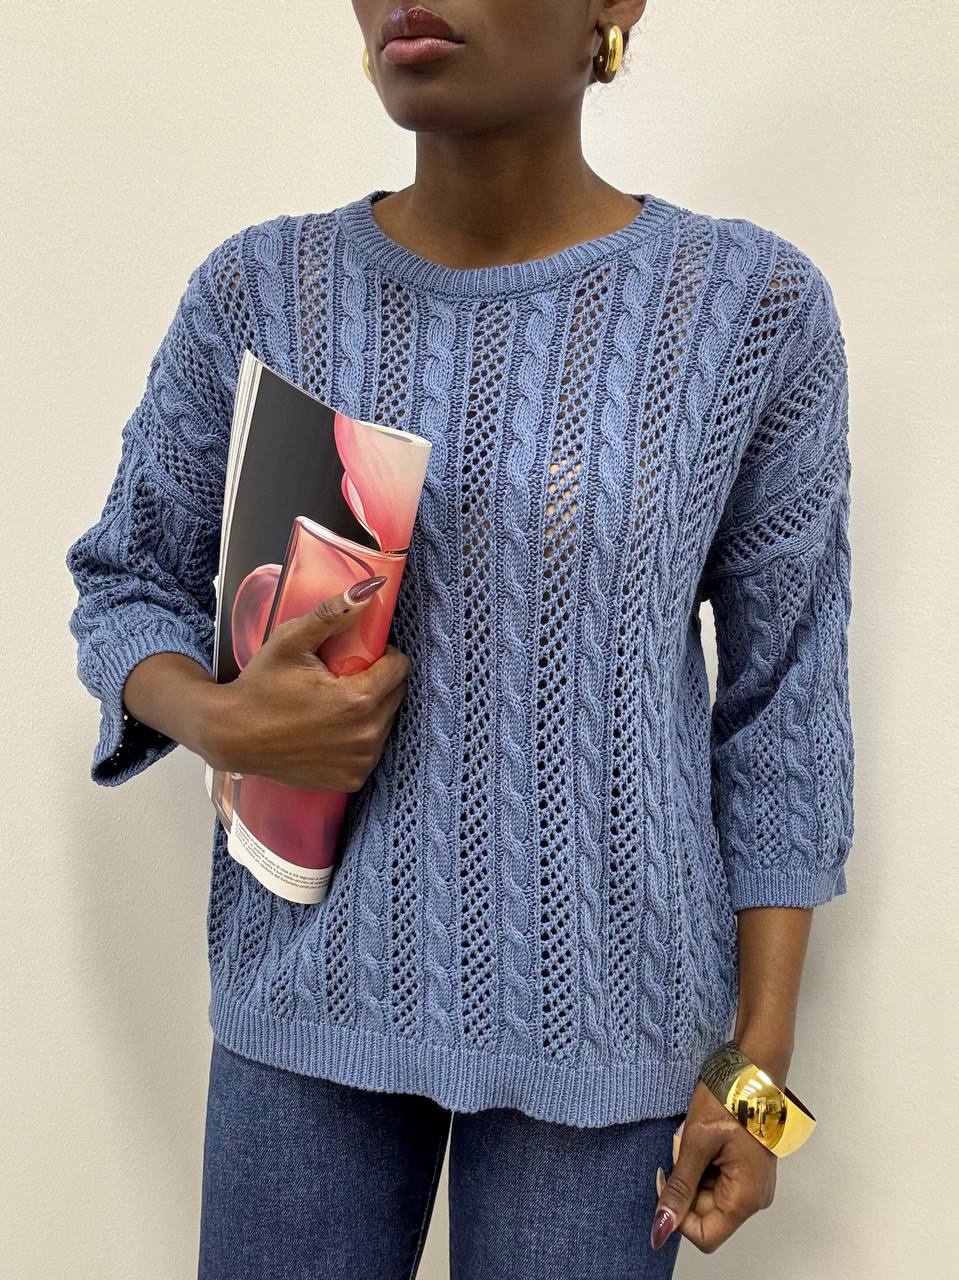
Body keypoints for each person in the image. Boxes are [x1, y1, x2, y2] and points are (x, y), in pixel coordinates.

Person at [64, 3, 855, 1277]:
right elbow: (124, 582)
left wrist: (756, 1079)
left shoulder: (747, 310)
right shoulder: (262, 290)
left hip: (611, 1036)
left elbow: (785, 713)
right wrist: (216, 715)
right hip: (302, 1010)